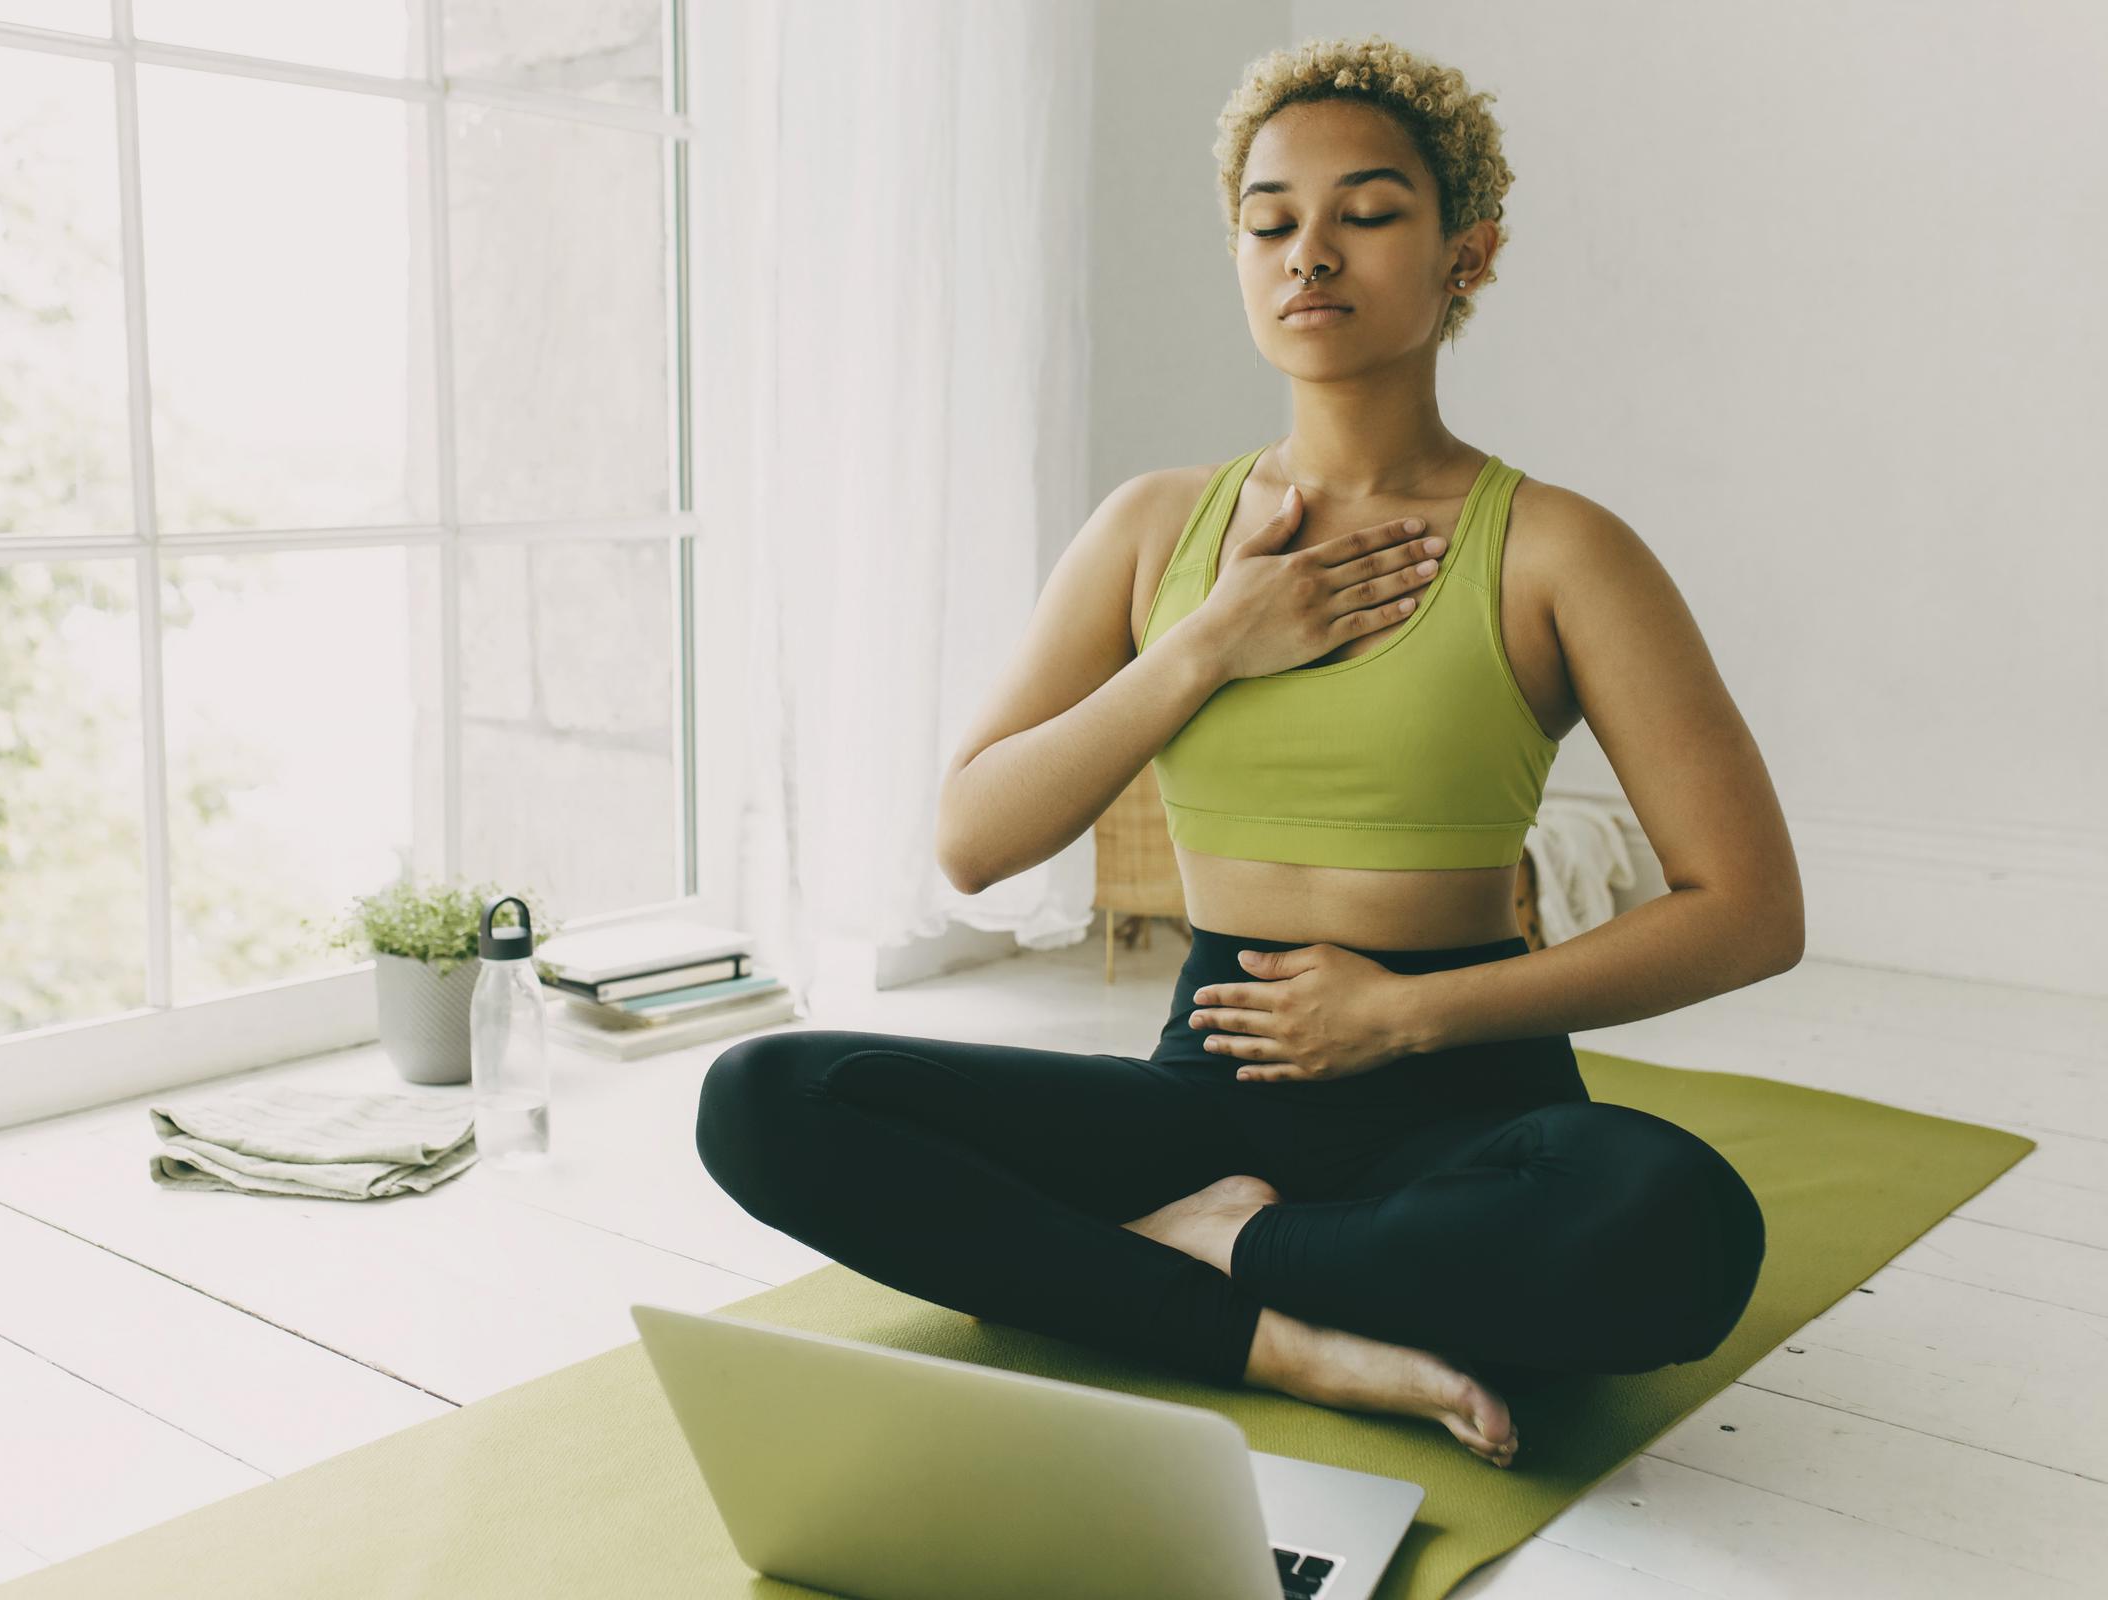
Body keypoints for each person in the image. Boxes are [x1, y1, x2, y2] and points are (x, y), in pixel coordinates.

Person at [696, 33, 1797, 1471]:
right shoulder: (1156, 527)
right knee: (766, 1102)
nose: (1311, 255)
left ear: (1468, 254)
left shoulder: (1562, 550)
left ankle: (1213, 1255)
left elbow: (1750, 911)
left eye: (1370, 213)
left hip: (1466, 1092)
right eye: (1272, 222)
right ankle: (1277, 1321)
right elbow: (973, 838)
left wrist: (1405, 1019)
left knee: (1676, 1226)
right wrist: (1209, 643)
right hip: (1212, 1084)